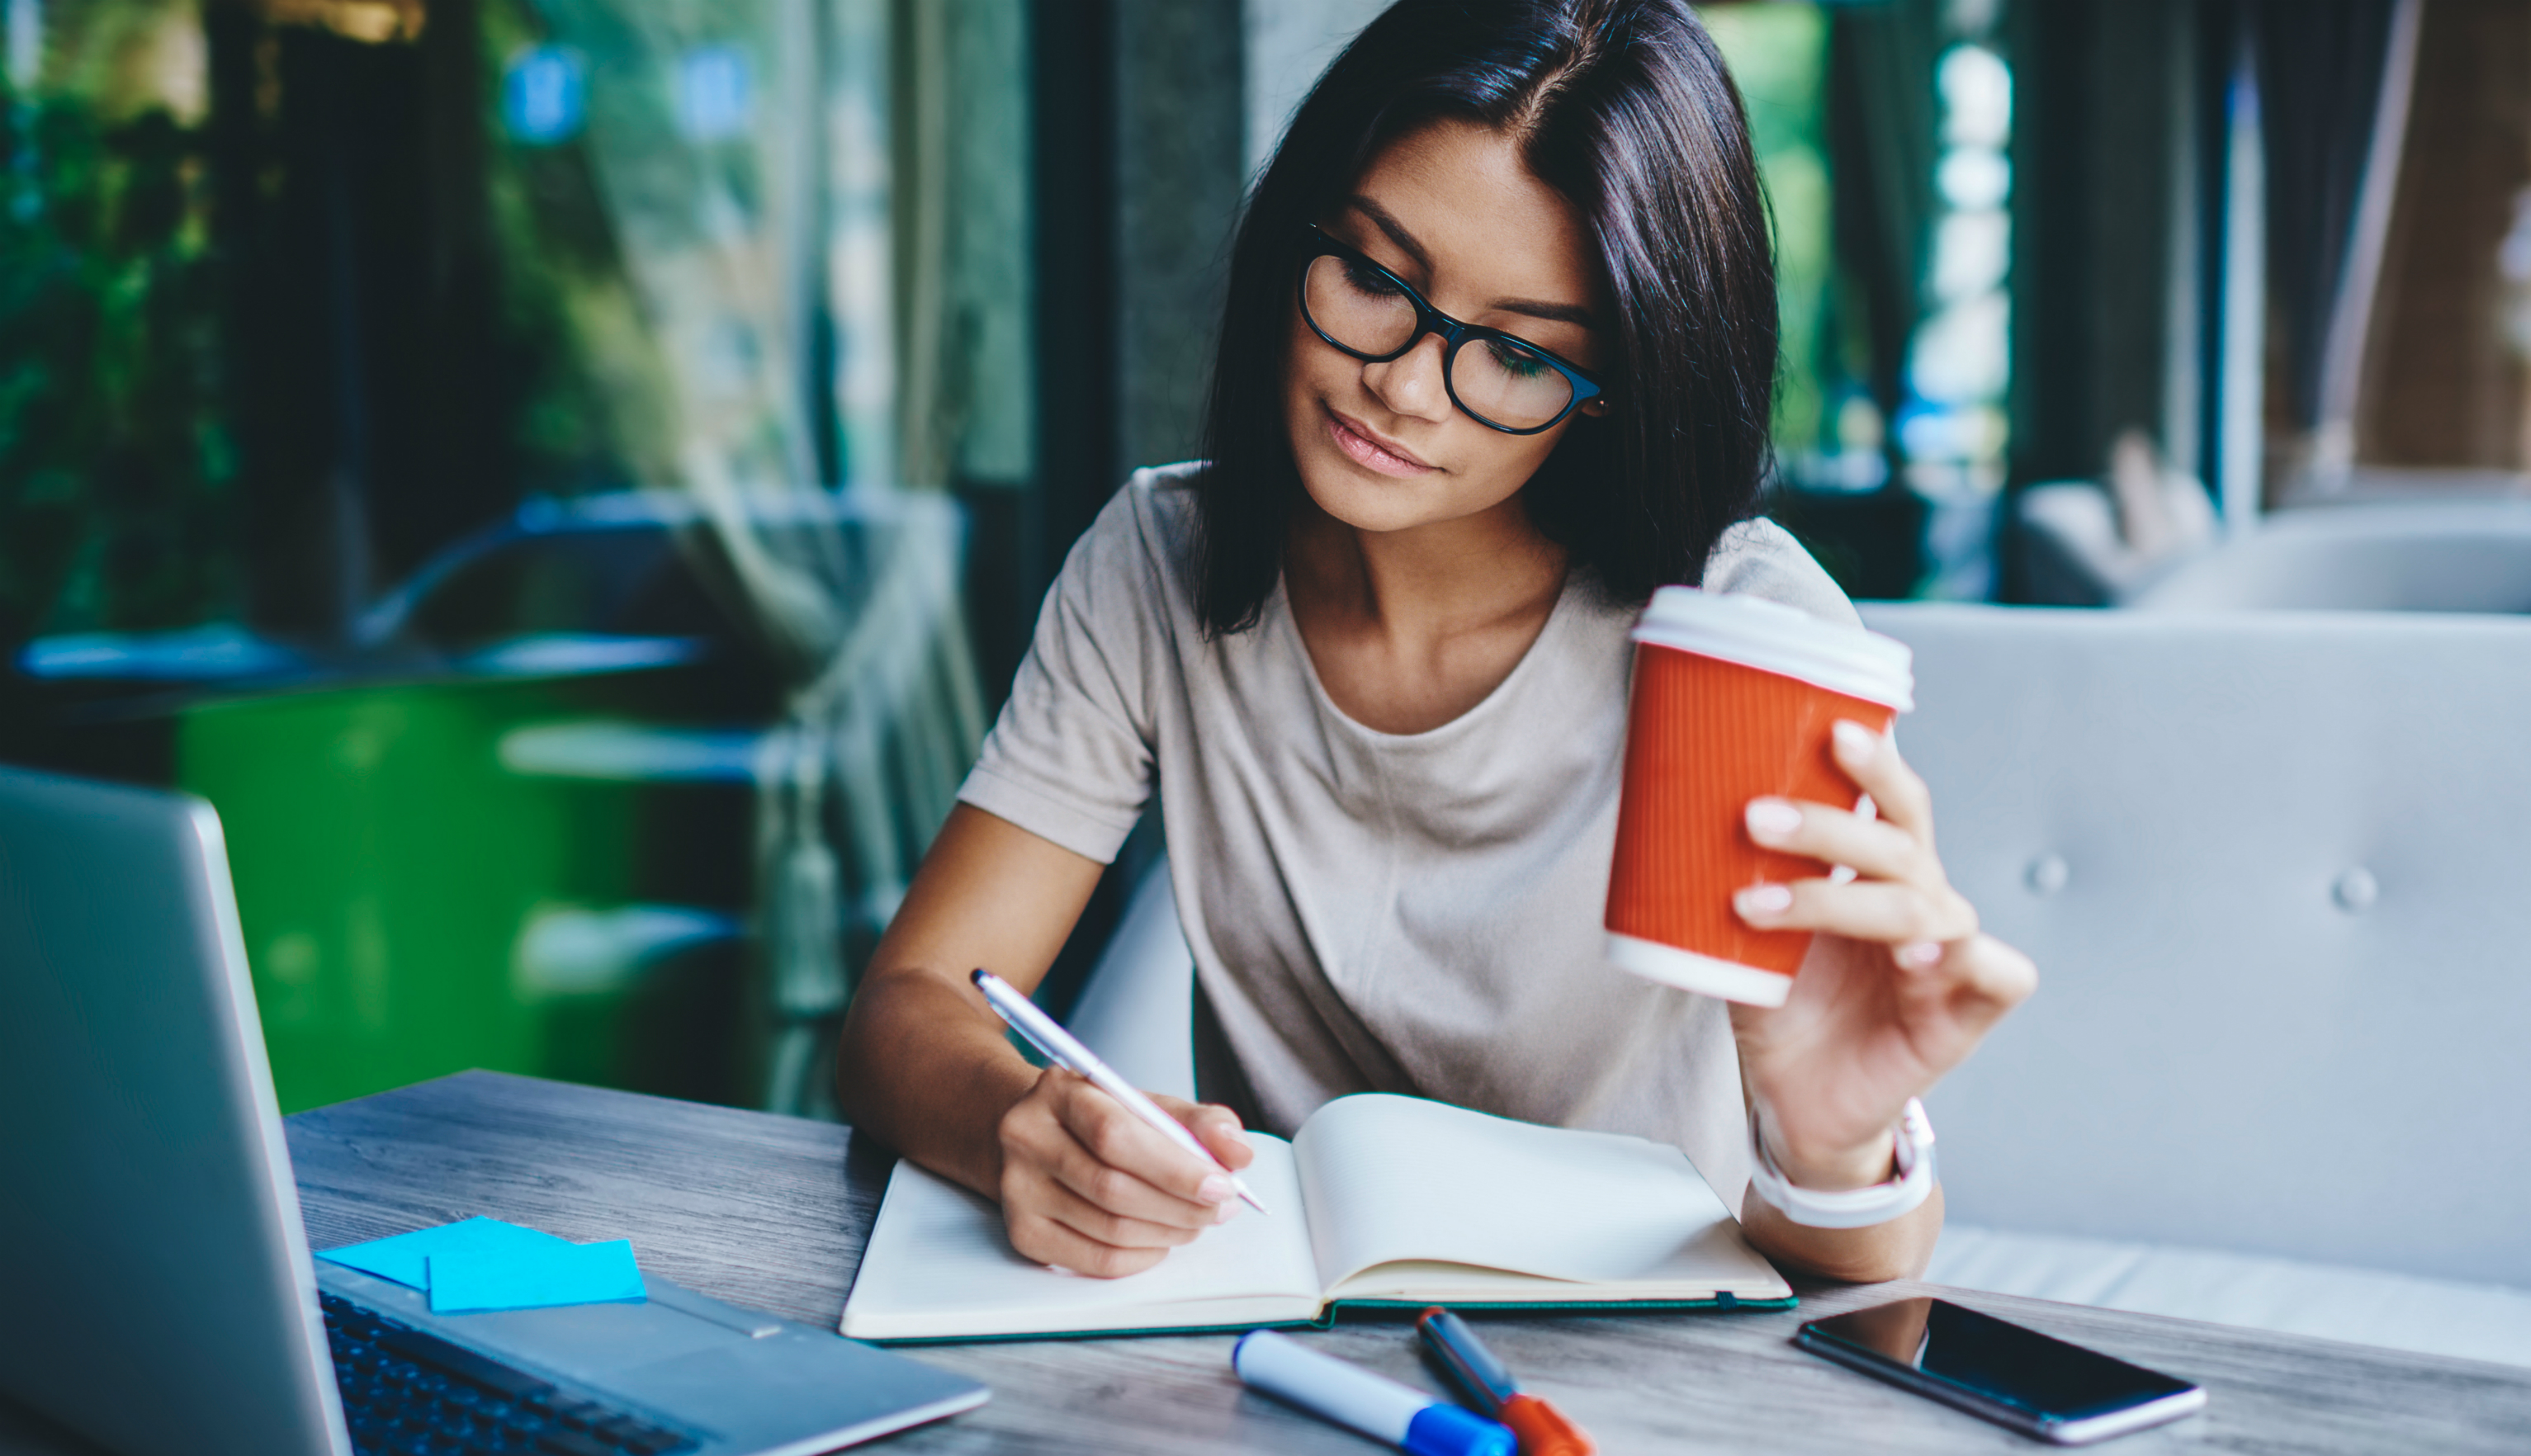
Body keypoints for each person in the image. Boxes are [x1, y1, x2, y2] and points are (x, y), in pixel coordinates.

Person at [837, 0, 2034, 1283]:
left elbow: (1863, 1301)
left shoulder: (1739, 639)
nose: (1402, 387)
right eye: (1369, 278)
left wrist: (1833, 1144)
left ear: (1621, 386)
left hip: (1643, 1368)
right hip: (1283, 1348)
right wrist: (1023, 1125)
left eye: (1517, 352)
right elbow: (909, 1007)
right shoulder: (1158, 560)